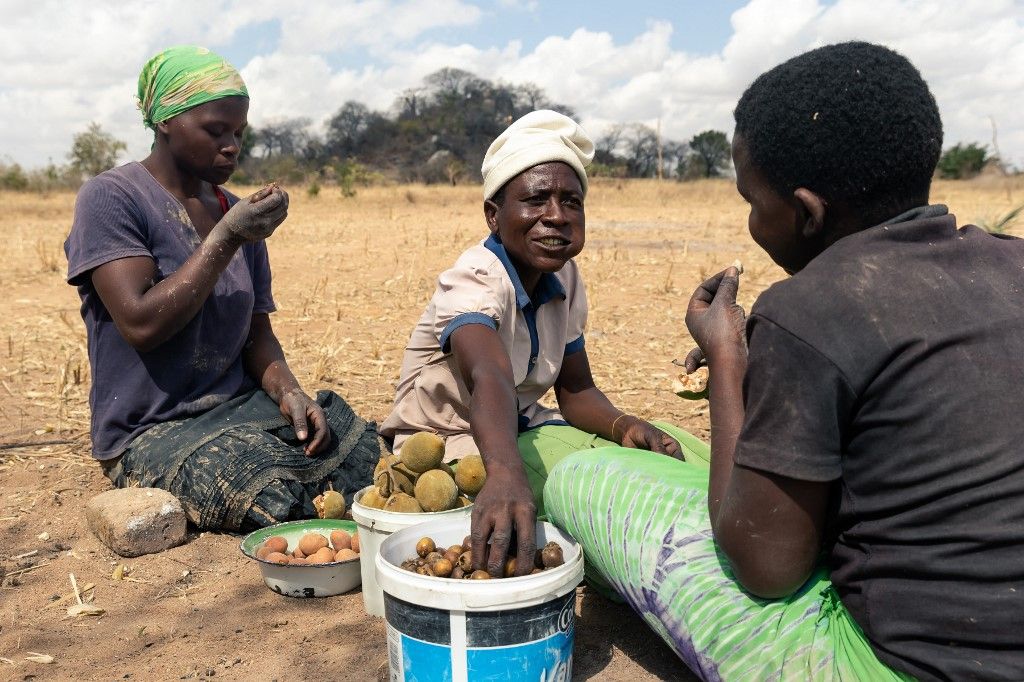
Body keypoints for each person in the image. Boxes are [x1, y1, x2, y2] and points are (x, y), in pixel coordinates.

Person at [543, 41, 1024, 681]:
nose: (750, 218)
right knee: (685, 453)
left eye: (752, 200)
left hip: (900, 667)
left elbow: (764, 566)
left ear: (805, 212)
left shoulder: (813, 307)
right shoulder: (1012, 263)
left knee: (583, 484)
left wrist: (727, 357)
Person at [380, 110, 710, 577]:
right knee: (603, 488)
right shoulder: (476, 276)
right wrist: (506, 474)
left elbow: (576, 392)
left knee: (668, 445)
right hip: (455, 446)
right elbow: (487, 373)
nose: (556, 216)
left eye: (571, 202)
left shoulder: (565, 279)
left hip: (523, 431)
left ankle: (739, 517)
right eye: (536, 199)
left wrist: (624, 426)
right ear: (494, 216)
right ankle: (692, 563)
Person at [64, 46, 377, 532]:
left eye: (238, 133)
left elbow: (256, 333)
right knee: (261, 489)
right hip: (152, 430)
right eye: (216, 130)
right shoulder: (113, 197)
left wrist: (290, 392)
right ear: (166, 121)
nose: (232, 145)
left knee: (361, 449)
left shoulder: (233, 209)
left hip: (237, 410)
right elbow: (141, 323)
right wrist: (228, 236)